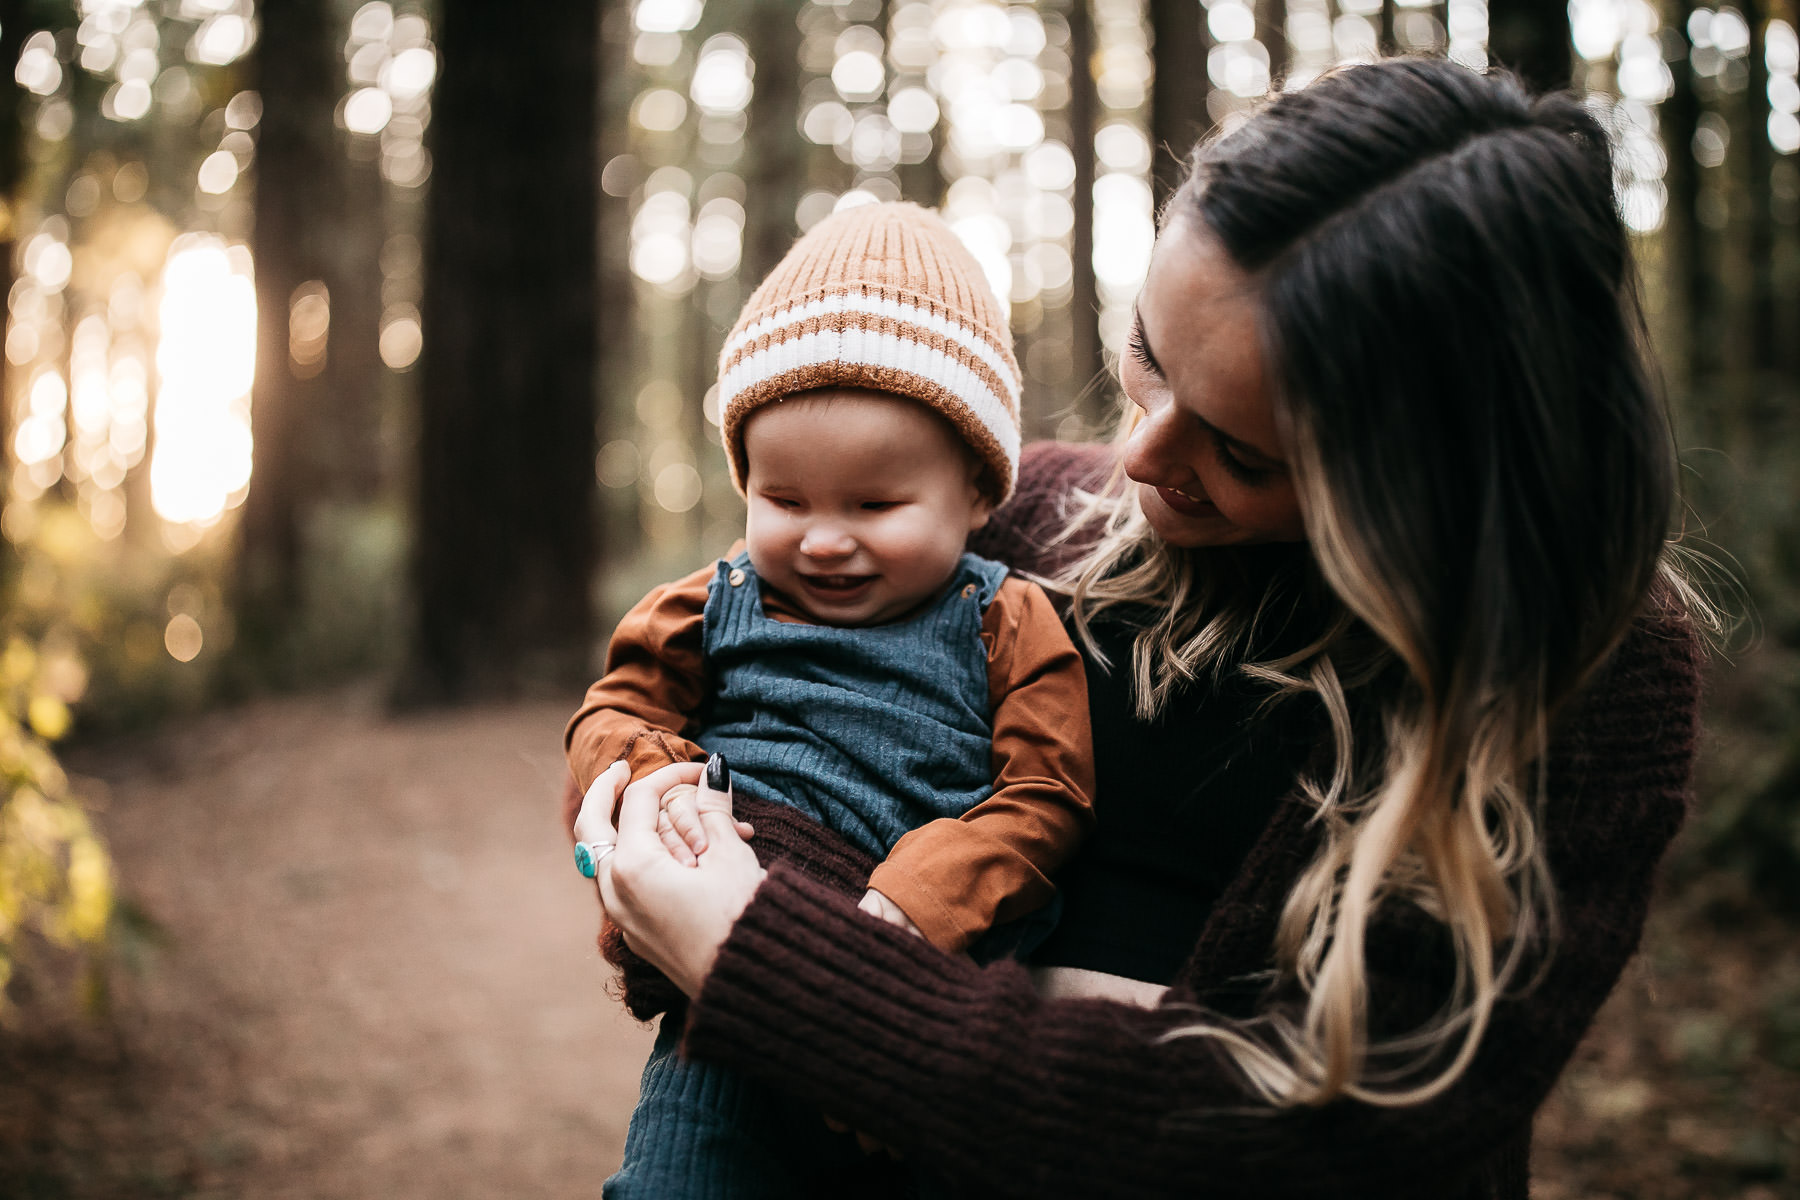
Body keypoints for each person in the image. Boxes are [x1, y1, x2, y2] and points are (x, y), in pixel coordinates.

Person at [573, 57, 1706, 1198]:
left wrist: (771, 963)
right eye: (1149, 360)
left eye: (1244, 453)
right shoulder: (1021, 524)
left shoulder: (1585, 677)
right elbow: (779, 752)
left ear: (1434, 482)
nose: (1146, 462)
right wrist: (706, 873)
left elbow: (1331, 1139)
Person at [565, 202, 1096, 1196]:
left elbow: (1046, 795)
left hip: (916, 1005)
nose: (822, 539)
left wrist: (919, 896)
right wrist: (653, 787)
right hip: (719, 1007)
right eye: (785, 499)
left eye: (875, 504)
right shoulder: (713, 601)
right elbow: (615, 711)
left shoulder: (1008, 621)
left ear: (978, 495)